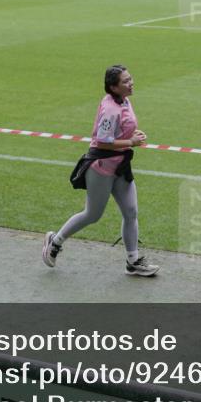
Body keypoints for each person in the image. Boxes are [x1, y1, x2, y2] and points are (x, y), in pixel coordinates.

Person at [42, 65, 160, 277]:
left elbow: (121, 129)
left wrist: (131, 134)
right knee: (92, 214)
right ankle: (55, 241)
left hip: (120, 165)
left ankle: (133, 261)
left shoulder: (124, 100)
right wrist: (131, 141)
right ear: (114, 87)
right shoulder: (110, 109)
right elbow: (102, 142)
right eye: (125, 81)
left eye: (130, 78)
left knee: (131, 211)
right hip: (102, 167)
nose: (131, 83)